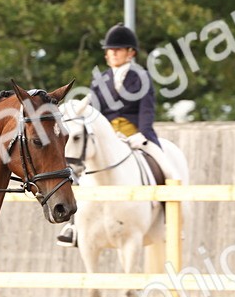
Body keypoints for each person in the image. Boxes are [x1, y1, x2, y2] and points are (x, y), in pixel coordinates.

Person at [56, 22, 181, 247]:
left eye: (118, 49)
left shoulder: (141, 77)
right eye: (109, 50)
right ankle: (74, 225)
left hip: (137, 134)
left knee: (168, 169)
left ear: (130, 52)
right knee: (77, 171)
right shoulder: (100, 79)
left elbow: (147, 110)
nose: (112, 53)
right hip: (107, 138)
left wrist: (140, 135)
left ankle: (169, 224)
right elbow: (93, 110)